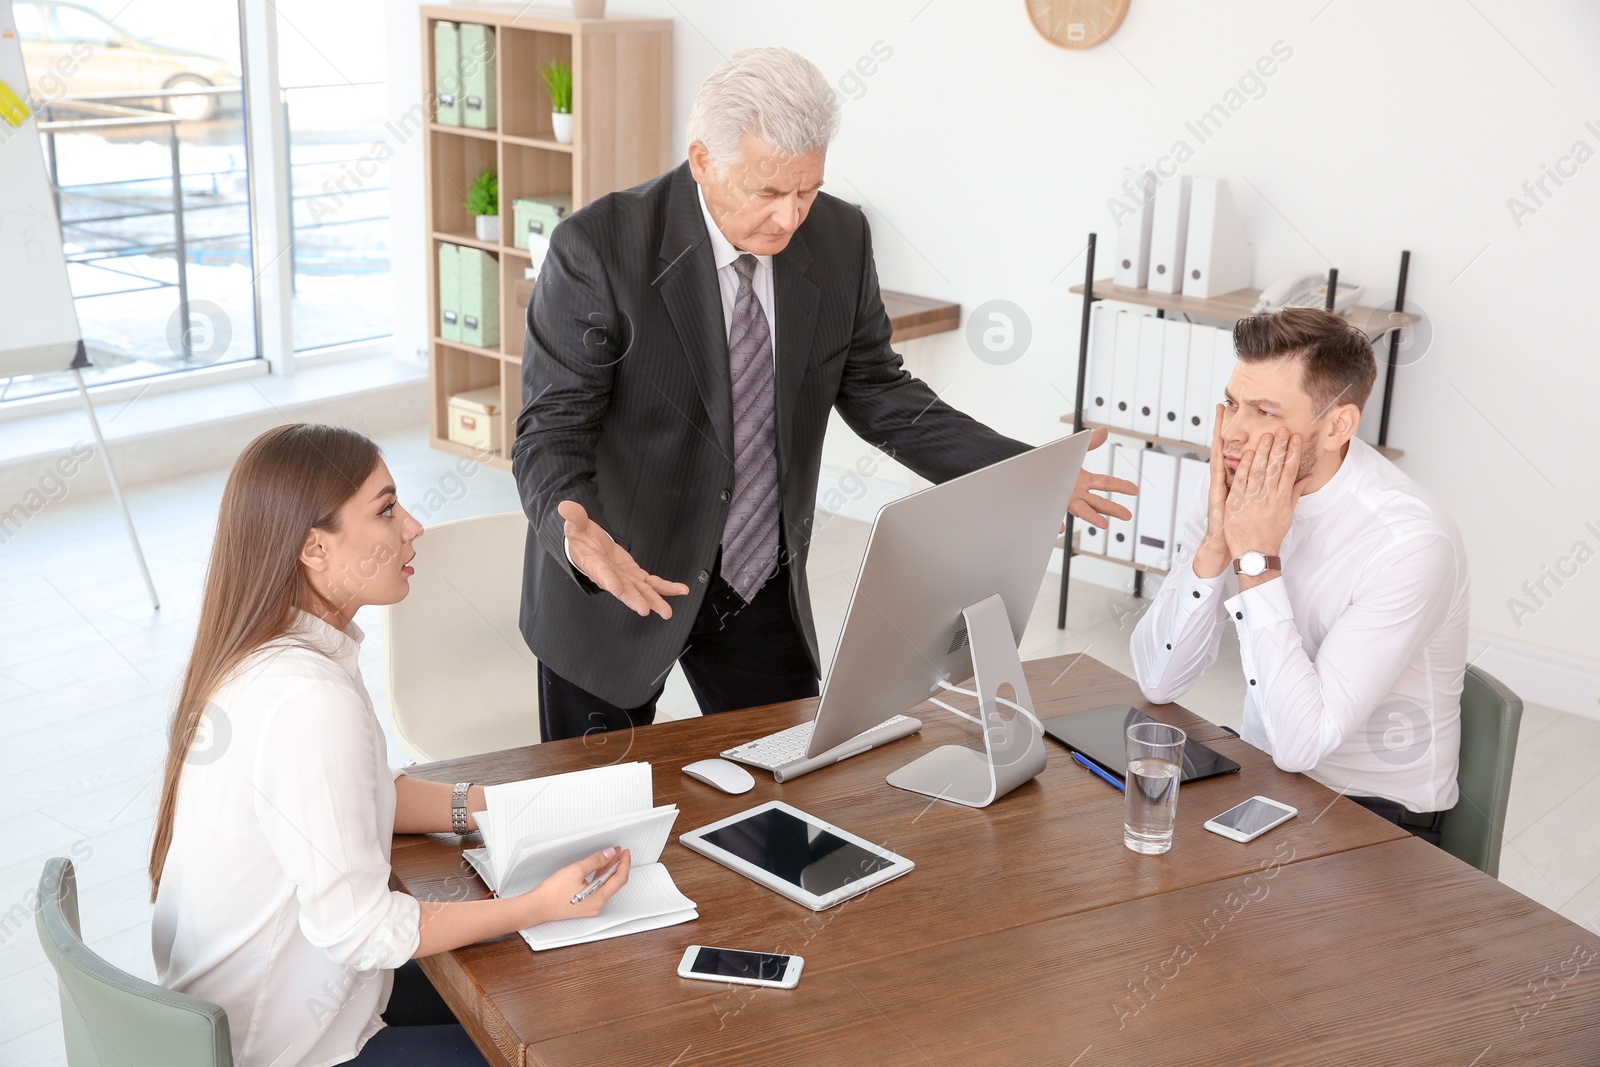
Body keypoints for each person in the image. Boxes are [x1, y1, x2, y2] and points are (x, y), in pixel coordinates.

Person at [515, 47, 1134, 741]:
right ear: (701, 161)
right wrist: (574, 532)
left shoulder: (839, 237)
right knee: (593, 817)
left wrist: (1024, 472)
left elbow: (880, 392)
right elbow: (551, 430)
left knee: (788, 799)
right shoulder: (597, 250)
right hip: (618, 568)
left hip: (754, 575)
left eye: (806, 191)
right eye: (768, 193)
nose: (790, 219)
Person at [149, 424, 632, 1067]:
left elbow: (371, 790)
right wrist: (536, 906)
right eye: (386, 510)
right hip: (293, 1049)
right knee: (569, 1025)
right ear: (313, 548)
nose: (414, 527)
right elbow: (363, 931)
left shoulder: (278, 655)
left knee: (546, 977)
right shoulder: (307, 701)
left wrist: (505, 805)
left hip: (283, 1007)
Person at [1129, 307, 1469, 842]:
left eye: (1265, 412)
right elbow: (1157, 680)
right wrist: (1217, 544)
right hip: (1267, 778)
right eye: (1232, 404)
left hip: (1376, 819)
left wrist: (1258, 558)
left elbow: (1302, 744)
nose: (1234, 434)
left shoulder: (1408, 542)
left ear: (1337, 425)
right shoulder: (1235, 481)